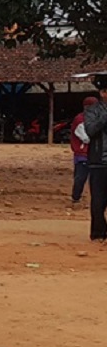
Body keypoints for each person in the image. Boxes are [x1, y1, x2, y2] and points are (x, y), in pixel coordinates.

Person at [81, 88, 107, 240]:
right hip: (99, 161)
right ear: (103, 92)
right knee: (98, 201)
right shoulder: (92, 111)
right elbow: (90, 130)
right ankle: (98, 233)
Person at [71, 97, 97, 204]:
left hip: (96, 154)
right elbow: (86, 138)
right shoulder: (80, 120)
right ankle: (76, 197)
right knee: (80, 178)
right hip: (83, 154)